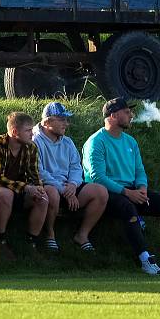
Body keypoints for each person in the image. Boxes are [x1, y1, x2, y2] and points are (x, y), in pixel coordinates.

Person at [82, 98, 160, 275]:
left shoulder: (131, 142)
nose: (132, 115)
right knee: (128, 208)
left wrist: (142, 188)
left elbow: (139, 171)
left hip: (132, 191)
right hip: (107, 194)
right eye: (127, 112)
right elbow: (98, 178)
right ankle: (145, 259)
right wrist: (128, 193)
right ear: (113, 115)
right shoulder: (96, 141)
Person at [32, 102, 108, 253]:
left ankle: (82, 235)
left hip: (69, 186)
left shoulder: (68, 142)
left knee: (101, 192)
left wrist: (73, 185)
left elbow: (76, 167)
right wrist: (63, 190)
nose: (66, 123)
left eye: (66, 119)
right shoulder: (35, 141)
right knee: (52, 193)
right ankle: (50, 234)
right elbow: (39, 172)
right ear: (47, 122)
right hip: (48, 186)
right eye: (61, 119)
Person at [0, 112, 49, 260]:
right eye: (28, 130)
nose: (32, 134)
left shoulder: (31, 147)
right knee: (6, 194)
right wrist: (26, 187)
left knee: (43, 198)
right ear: (15, 132)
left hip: (19, 188)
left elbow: (34, 174)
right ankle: (0, 238)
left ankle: (31, 243)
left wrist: (38, 188)